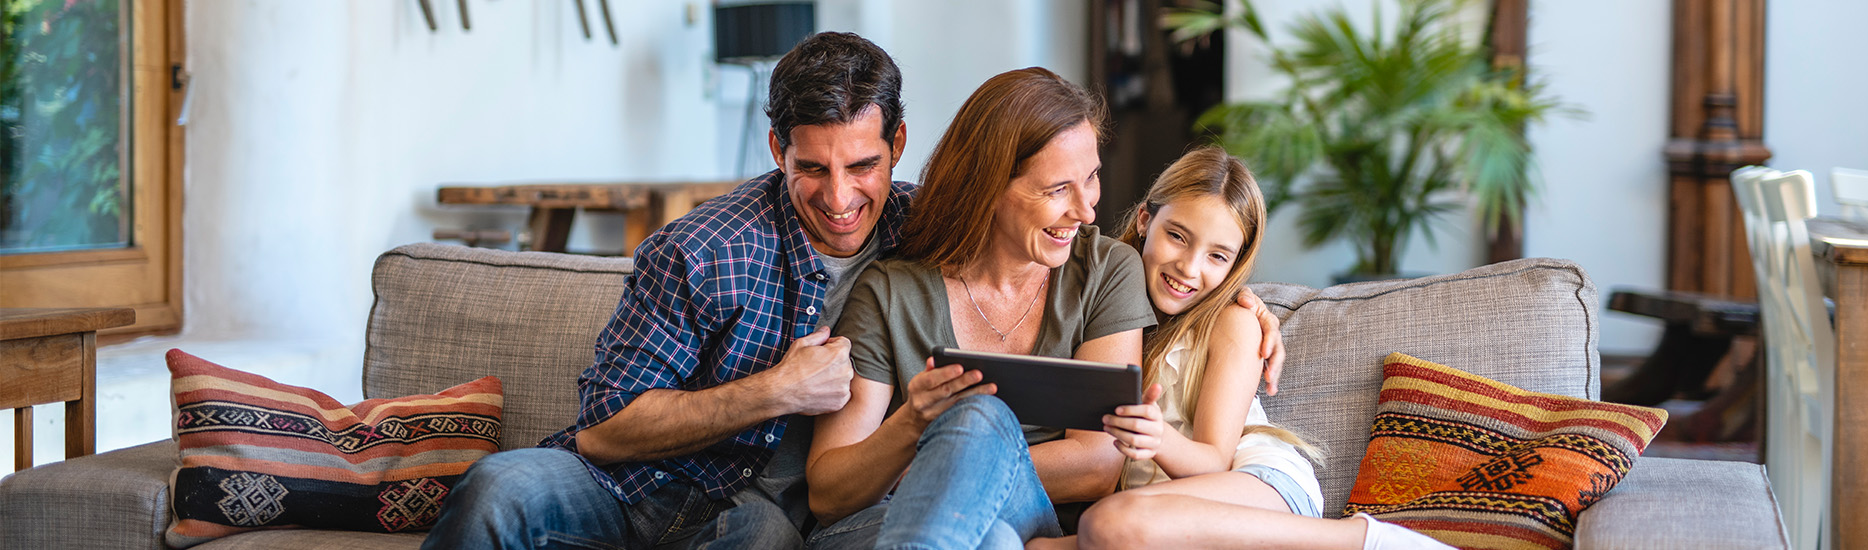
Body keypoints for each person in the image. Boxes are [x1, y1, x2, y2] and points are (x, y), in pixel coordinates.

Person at [424, 31, 912, 550]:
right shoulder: (704, 249)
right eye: (812, 168)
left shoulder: (932, 235)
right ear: (778, 150)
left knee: (764, 534)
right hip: (638, 492)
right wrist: (777, 390)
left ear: (897, 145)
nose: (839, 197)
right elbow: (604, 431)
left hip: (770, 524)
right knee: (498, 486)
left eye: (862, 166)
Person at [1027, 147, 1453, 550]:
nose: (1189, 267)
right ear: (1144, 220)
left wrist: (1157, 438)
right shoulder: (1106, 306)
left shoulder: (1233, 322)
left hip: (1256, 481)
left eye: (1217, 256)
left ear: (1235, 263)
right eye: (1177, 236)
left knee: (1108, 523)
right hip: (1166, 507)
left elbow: (1213, 460)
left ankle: (1363, 540)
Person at [804, 66, 1146, 550]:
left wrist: (953, 459)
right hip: (879, 527)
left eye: (1090, 178)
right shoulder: (889, 292)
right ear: (989, 187)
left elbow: (1096, 465)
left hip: (1031, 517)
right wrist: (912, 423)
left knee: (978, 422)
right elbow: (828, 495)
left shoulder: (1105, 272)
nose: (1086, 210)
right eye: (1057, 190)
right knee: (996, 541)